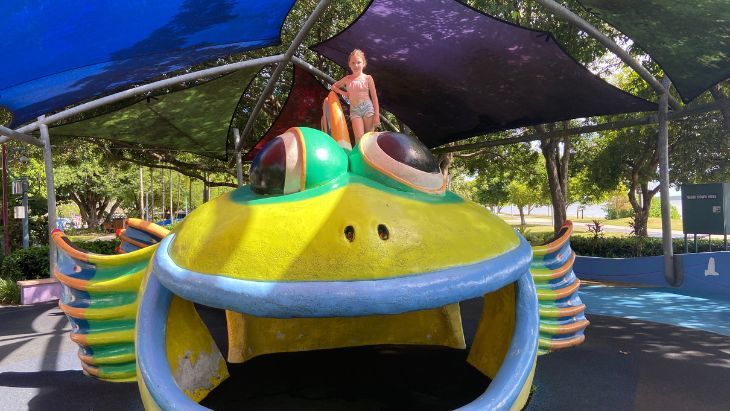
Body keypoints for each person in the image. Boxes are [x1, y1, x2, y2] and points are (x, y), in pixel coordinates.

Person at [332, 49, 380, 143]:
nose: (356, 65)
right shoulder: (347, 79)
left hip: (368, 108)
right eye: (353, 63)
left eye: (358, 62)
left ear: (363, 63)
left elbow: (374, 97)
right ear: (349, 64)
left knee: (369, 138)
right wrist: (344, 93)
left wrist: (376, 115)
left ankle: (368, 156)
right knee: (359, 138)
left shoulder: (368, 78)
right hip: (355, 110)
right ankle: (359, 157)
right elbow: (334, 86)